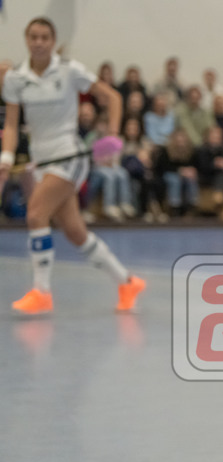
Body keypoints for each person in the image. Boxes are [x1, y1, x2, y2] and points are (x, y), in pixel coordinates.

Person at [0, 17, 145, 314]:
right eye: (33, 37)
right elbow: (12, 124)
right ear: (26, 40)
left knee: (36, 213)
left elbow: (113, 98)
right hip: (42, 160)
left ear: (53, 41)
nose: (39, 42)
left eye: (44, 37)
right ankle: (127, 282)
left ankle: (42, 291)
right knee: (75, 232)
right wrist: (6, 157)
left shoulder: (70, 70)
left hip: (70, 155)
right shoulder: (15, 78)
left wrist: (112, 136)